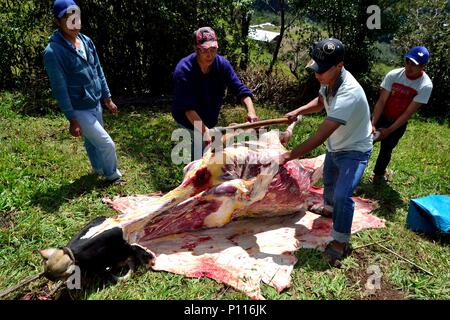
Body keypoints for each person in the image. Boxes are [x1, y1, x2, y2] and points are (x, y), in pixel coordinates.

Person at [279, 38, 373, 266]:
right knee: (330, 180)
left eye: (321, 71)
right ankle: (330, 210)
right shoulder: (329, 79)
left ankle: (340, 240)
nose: (316, 74)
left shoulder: (349, 92)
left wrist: (290, 154)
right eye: (316, 68)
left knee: (343, 195)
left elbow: (320, 134)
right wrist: (299, 110)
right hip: (336, 145)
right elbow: (321, 102)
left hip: (355, 149)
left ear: (339, 66)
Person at [44, 0, 124, 185]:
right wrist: (72, 119)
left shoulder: (86, 41)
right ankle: (113, 176)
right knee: (106, 143)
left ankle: (98, 169)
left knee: (92, 141)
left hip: (94, 101)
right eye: (68, 18)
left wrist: (107, 98)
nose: (74, 23)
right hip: (78, 107)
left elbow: (98, 70)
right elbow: (59, 88)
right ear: (58, 21)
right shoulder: (53, 52)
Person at [172, 26, 258, 160]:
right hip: (188, 121)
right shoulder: (183, 70)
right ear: (196, 49)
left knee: (214, 158)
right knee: (199, 161)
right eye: (205, 50)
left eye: (213, 50)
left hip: (209, 119)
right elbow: (188, 109)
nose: (210, 55)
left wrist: (251, 111)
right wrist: (205, 132)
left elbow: (240, 89)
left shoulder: (222, 65)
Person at [371, 46, 433, 183]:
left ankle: (378, 175)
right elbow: (381, 101)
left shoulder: (425, 85)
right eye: (407, 62)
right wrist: (373, 123)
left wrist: (389, 130)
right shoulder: (393, 75)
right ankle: (353, 167)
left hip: (398, 122)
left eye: (414, 65)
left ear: (423, 66)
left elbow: (408, 113)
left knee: (387, 149)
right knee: (365, 141)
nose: (409, 67)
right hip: (382, 115)